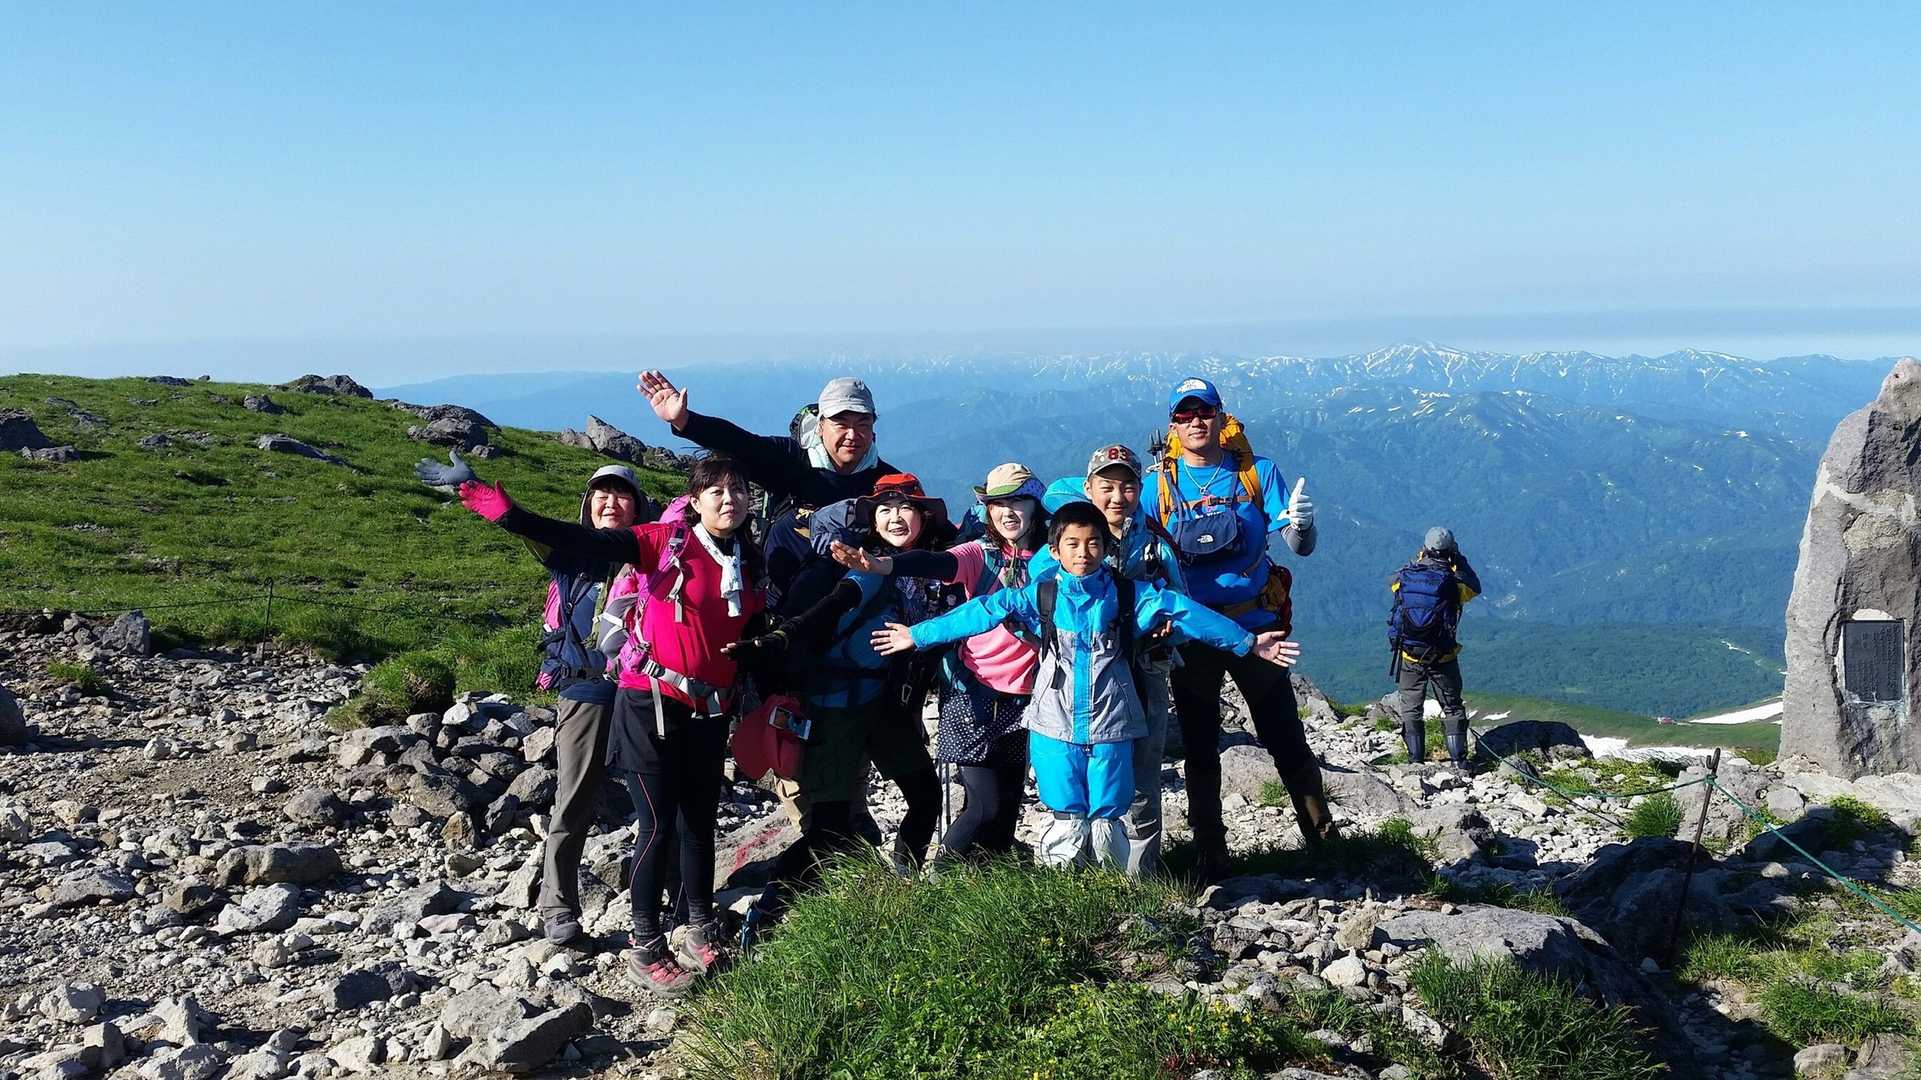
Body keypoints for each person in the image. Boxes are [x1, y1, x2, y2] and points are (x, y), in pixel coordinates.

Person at [445, 457, 767, 995]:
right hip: (641, 698)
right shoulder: (660, 541)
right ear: (695, 500)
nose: (728, 498)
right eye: (715, 490)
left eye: (737, 489)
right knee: (642, 818)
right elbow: (574, 538)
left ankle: (697, 925)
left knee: (697, 821)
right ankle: (638, 942)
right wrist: (507, 513)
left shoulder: (747, 557)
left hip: (707, 706)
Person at [874, 501, 1301, 868]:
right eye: (1073, 544)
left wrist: (1248, 643)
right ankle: (1072, 898)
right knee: (1066, 815)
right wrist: (918, 635)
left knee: (1107, 816)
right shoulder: (1042, 595)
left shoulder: (1129, 595)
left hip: (1110, 724)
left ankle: (1106, 894)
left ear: (1106, 547)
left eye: (1093, 543)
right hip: (1055, 723)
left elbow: (1185, 611)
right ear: (1054, 550)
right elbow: (983, 610)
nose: (1083, 553)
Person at [637, 370, 893, 844]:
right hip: (782, 635)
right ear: (821, 424)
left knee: (847, 741)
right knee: (791, 740)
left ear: (875, 427)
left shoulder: (885, 483)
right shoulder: (792, 462)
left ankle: (845, 829)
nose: (852, 434)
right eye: (841, 423)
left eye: (862, 423)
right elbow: (741, 443)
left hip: (850, 639)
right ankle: (816, 840)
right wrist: (685, 421)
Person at [414, 455, 654, 946]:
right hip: (586, 686)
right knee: (574, 798)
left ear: (637, 506)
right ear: (588, 505)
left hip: (646, 689)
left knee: (655, 800)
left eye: (621, 495)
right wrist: (477, 491)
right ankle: (558, 906)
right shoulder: (567, 549)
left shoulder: (651, 551)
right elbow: (523, 524)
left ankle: (660, 901)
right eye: (601, 494)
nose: (610, 503)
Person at [725, 473, 950, 947]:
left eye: (905, 508)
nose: (895, 517)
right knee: (829, 830)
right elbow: (832, 606)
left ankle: (902, 888)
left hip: (883, 708)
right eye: (885, 509)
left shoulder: (925, 570)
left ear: (923, 517)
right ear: (872, 520)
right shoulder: (863, 566)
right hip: (836, 711)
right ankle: (765, 913)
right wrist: (780, 639)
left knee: (925, 796)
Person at [1141, 376, 1331, 881]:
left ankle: (1322, 837)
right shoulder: (1155, 487)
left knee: (1284, 735)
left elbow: (1298, 545)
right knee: (1201, 746)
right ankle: (1211, 852)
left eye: (1204, 411)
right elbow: (1135, 552)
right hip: (1194, 633)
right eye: (1184, 415)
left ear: (1222, 417)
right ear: (1172, 426)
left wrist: (1303, 526)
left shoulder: (1256, 473)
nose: (1195, 421)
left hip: (1258, 629)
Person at [830, 462, 1048, 862]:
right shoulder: (980, 554)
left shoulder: (1053, 558)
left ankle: (992, 885)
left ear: (1036, 505)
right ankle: (940, 879)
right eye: (998, 503)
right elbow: (936, 562)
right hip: (973, 694)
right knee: (984, 806)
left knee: (1007, 809)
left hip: (1025, 697)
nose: (1007, 511)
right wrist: (886, 565)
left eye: (1018, 501)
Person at [1029, 445, 1185, 876]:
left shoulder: (1155, 546)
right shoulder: (1062, 546)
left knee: (1141, 776)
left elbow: (1181, 607)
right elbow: (1034, 608)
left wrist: (1168, 628)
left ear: (1140, 489)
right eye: (1107, 486)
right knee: (1076, 776)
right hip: (1075, 681)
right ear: (1088, 489)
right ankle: (1079, 874)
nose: (1118, 497)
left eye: (1128, 486)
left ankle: (1136, 876)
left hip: (1143, 670)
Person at [1388, 528, 1483, 768]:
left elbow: (1392, 583)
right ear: (1450, 550)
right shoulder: (1454, 584)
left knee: (1411, 707)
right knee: (1452, 706)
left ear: (1425, 549)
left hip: (1410, 653)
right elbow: (1475, 587)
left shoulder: (1405, 577)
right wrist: (1459, 559)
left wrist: (1419, 560)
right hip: (1443, 655)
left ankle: (1415, 760)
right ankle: (1459, 761)